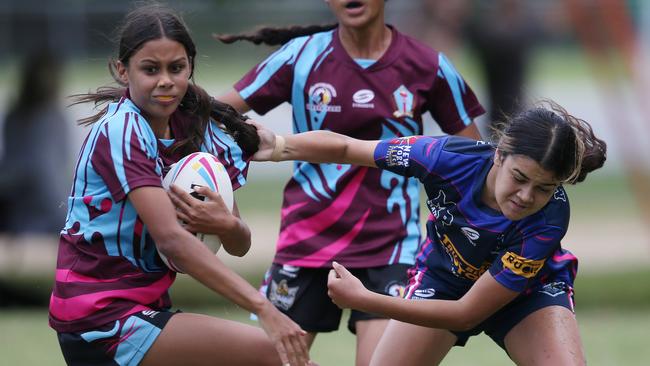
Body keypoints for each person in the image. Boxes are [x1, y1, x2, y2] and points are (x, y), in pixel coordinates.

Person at [213, 1, 485, 363]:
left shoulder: (428, 65)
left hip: (391, 246)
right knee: (270, 359)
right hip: (306, 241)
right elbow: (212, 115)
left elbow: (475, 162)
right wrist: (218, 180)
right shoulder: (300, 57)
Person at [48, 4, 311, 366]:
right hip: (102, 318)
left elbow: (238, 243)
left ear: (190, 66)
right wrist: (265, 309)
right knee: (273, 353)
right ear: (123, 71)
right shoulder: (122, 130)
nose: (165, 81)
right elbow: (172, 240)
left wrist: (227, 224)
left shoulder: (195, 129)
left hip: (145, 307)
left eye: (176, 67)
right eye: (150, 69)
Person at [250, 100, 607, 365]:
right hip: (445, 279)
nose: (527, 196)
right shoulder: (446, 158)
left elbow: (467, 313)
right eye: (520, 177)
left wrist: (364, 300)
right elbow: (348, 147)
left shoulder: (550, 217)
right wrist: (278, 147)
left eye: (544, 188)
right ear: (499, 156)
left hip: (529, 292)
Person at [0, 49, 69, 234]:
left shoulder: (49, 117)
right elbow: (44, 171)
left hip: (36, 206)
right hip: (33, 210)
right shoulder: (35, 118)